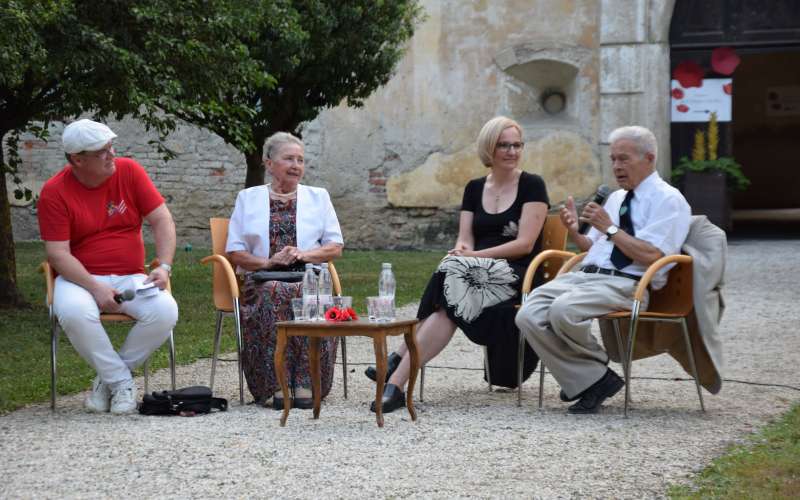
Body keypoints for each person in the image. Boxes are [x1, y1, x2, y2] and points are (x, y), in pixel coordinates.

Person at [367, 116, 550, 413]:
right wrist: (461, 251)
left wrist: (471, 257)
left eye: (517, 145)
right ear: (489, 148)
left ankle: (398, 360)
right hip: (471, 275)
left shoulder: (532, 185)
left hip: (517, 274)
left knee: (449, 278)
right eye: (504, 145)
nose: (512, 151)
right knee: (448, 297)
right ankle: (396, 385)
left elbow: (524, 245)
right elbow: (465, 238)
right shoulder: (474, 188)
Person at [515, 125, 691, 414]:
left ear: (649, 158)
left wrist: (609, 227)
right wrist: (574, 230)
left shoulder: (669, 200)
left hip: (628, 283)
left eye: (624, 159)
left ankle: (590, 376)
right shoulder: (617, 198)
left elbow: (652, 254)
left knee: (563, 310)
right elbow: (591, 248)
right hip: (587, 276)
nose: (616, 167)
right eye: (613, 159)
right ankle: (595, 377)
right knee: (528, 314)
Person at [37, 119, 179, 414]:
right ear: (77, 159)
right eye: (102, 151)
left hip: (130, 275)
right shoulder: (54, 191)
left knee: (165, 311)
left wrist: (164, 266)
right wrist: (95, 286)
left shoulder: (129, 171)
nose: (112, 155)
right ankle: (121, 382)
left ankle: (108, 381)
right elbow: (58, 254)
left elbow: (162, 220)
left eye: (111, 147)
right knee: (75, 312)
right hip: (79, 278)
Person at [226, 131, 344, 410]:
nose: (296, 165)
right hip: (262, 279)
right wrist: (269, 262)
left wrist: (303, 254)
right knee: (274, 291)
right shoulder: (248, 198)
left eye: (300, 160)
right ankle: (274, 384)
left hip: (310, 276)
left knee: (307, 292)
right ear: (269, 163)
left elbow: (335, 246)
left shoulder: (319, 197)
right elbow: (234, 251)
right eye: (288, 158)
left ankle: (306, 382)